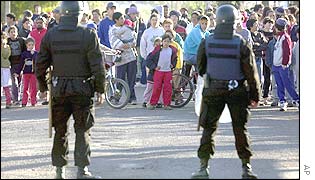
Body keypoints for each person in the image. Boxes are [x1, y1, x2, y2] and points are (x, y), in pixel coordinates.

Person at [35, 1, 105, 179]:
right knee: (82, 130)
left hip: (59, 90)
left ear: (62, 13)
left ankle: (60, 171)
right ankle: (82, 170)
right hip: (83, 89)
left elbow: (41, 63)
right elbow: (97, 64)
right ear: (79, 14)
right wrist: (100, 89)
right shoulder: (88, 34)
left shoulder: (51, 35)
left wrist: (42, 86)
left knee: (60, 130)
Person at [191, 4, 261, 179]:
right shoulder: (241, 43)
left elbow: (201, 67)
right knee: (240, 129)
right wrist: (255, 95)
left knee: (209, 128)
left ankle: (203, 167)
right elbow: (251, 72)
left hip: (213, 89)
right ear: (234, 21)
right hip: (237, 90)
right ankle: (246, 168)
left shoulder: (207, 41)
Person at [109, 12, 138, 105]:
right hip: (120, 59)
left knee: (131, 78)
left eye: (123, 18)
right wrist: (126, 45)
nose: (123, 20)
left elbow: (133, 41)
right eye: (121, 18)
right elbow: (116, 44)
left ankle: (132, 97)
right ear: (116, 20)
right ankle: (117, 97)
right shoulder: (112, 30)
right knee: (120, 79)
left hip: (131, 57)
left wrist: (128, 44)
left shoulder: (128, 27)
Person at [272, 18, 299, 111]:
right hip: (276, 65)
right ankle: (282, 101)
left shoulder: (285, 37)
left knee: (287, 84)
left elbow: (287, 51)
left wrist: (285, 63)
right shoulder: (279, 36)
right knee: (279, 84)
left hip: (282, 65)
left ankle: (297, 99)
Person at [146, 34, 177, 110]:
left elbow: (175, 59)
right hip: (159, 72)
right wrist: (154, 67)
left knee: (168, 88)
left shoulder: (172, 50)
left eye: (168, 41)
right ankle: (153, 103)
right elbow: (149, 60)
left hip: (168, 72)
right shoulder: (157, 50)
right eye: (165, 41)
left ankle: (167, 104)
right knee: (157, 87)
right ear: (162, 42)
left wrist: (173, 65)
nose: (166, 43)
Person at [14, 37, 38, 107]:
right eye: (29, 45)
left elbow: (37, 61)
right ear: (27, 45)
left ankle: (33, 101)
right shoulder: (24, 54)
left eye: (32, 45)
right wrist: (18, 72)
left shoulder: (36, 53)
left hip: (33, 73)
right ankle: (24, 101)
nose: (31, 46)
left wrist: (33, 54)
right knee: (25, 87)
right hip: (26, 72)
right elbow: (21, 63)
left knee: (33, 88)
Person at [1, 31, 13, 109]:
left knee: (6, 85)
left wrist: (4, 46)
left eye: (2, 38)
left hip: (5, 67)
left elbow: (6, 56)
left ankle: (8, 102)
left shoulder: (7, 47)